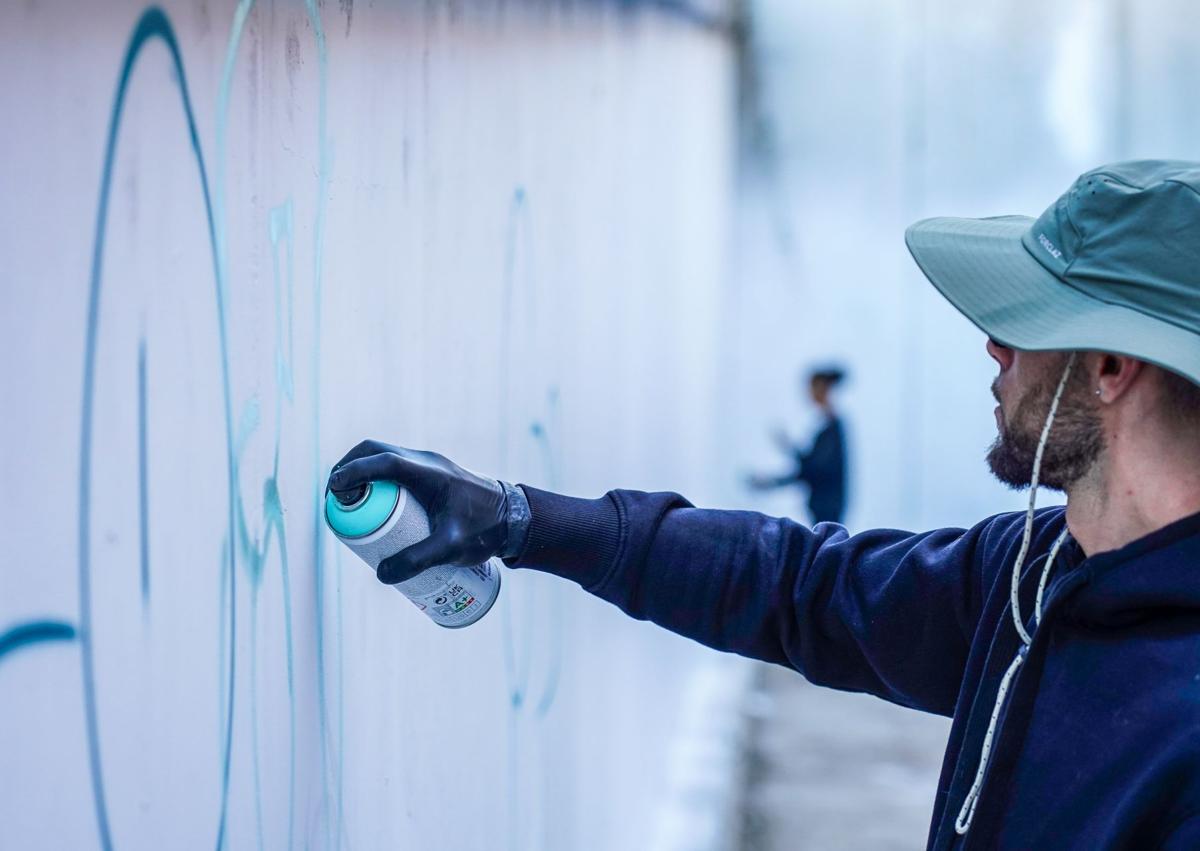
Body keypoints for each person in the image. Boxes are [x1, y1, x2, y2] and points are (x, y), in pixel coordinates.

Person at [328, 161, 1200, 849]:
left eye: (1028, 318)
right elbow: (801, 587)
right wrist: (521, 519)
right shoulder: (1031, 573)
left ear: (1110, 367)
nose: (993, 342)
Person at [748, 366, 848, 524]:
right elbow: (810, 467)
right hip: (821, 509)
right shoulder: (828, 429)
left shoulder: (832, 429)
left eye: (813, 387)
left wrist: (773, 481)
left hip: (827, 510)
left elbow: (815, 470)